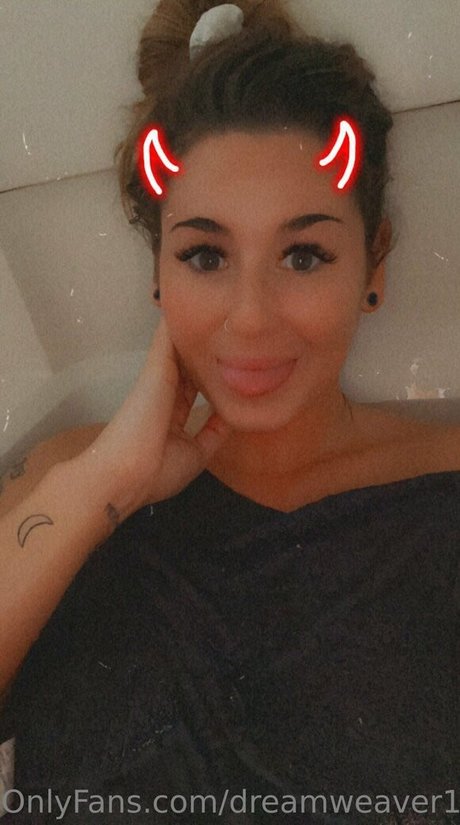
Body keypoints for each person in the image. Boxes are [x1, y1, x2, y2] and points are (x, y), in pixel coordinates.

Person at [0, 1, 459, 822]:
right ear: (159, 274)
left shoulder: (444, 490)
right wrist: (108, 483)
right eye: (205, 254)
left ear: (373, 264)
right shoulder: (66, 480)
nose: (250, 317)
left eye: (304, 255)